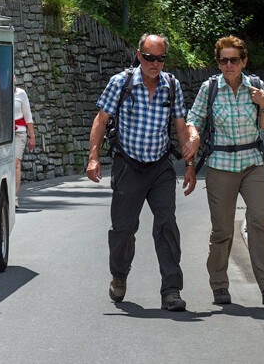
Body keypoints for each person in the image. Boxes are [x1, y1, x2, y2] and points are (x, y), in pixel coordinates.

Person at [85, 33, 198, 311]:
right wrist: (93, 158)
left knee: (166, 224)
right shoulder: (121, 83)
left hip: (160, 166)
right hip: (128, 163)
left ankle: (171, 290)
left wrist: (191, 165)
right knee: (123, 228)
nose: (154, 63)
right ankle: (119, 275)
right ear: (139, 55)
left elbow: (181, 127)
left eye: (160, 58)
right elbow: (101, 121)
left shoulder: (171, 86)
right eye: (149, 57)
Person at [184, 35, 264, 306]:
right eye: (223, 60)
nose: (228, 65)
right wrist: (193, 135)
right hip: (220, 165)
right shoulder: (210, 88)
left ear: (244, 61)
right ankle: (219, 285)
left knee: (258, 221)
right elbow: (194, 118)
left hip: (252, 162)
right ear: (217, 62)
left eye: (234, 60)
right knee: (222, 229)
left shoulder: (256, 86)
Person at [13, 77, 35, 208]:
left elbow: (28, 115)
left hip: (19, 132)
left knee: (16, 162)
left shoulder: (21, 94)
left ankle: (14, 196)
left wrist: (32, 136)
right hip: (2, 133)